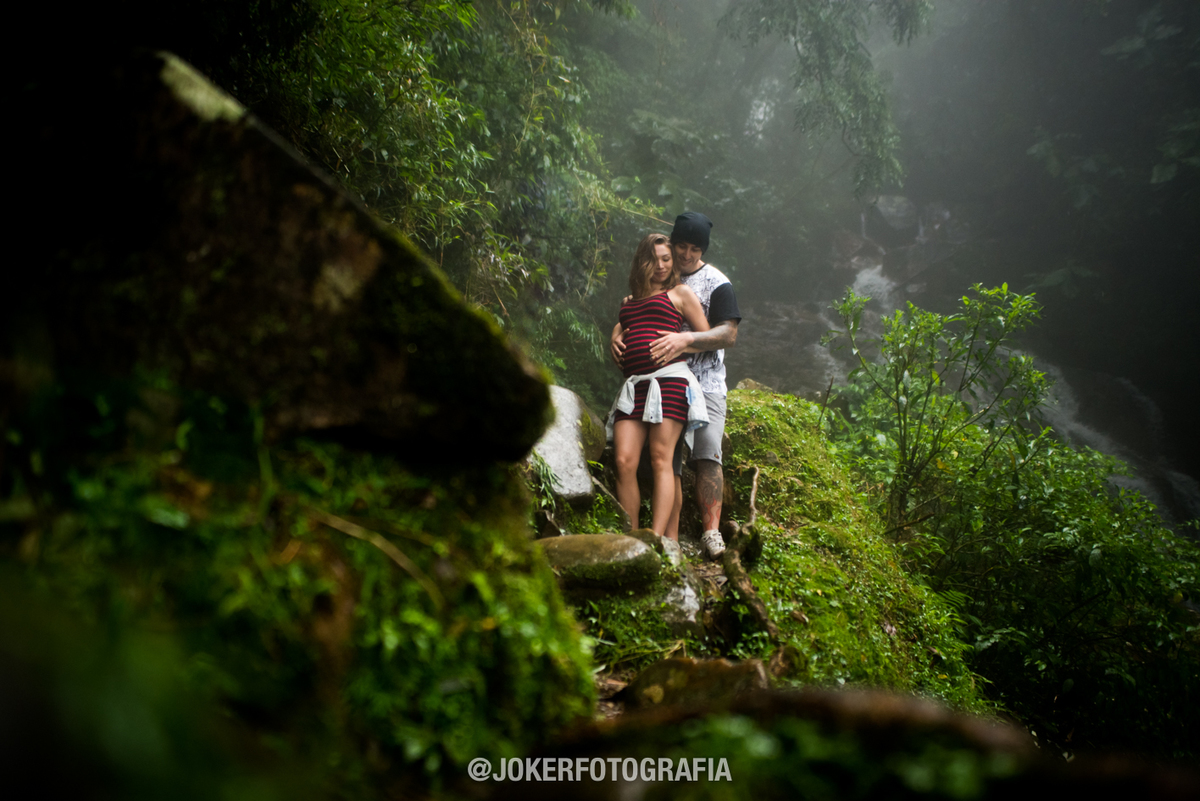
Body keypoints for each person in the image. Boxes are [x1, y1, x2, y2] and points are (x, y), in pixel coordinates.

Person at [611, 212, 741, 559]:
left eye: (694, 249)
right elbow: (634, 315)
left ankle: (706, 533)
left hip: (695, 382)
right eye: (680, 246)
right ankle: (656, 539)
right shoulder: (648, 287)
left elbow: (726, 334)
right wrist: (616, 333)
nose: (685, 254)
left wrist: (684, 340)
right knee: (653, 463)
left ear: (702, 251)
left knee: (701, 454)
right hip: (643, 383)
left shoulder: (712, 283)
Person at [605, 233, 711, 539]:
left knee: (661, 459)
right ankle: (632, 538)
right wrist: (614, 336)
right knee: (624, 460)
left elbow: (706, 337)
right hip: (634, 387)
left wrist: (681, 341)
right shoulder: (628, 302)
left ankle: (654, 537)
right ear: (642, 261)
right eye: (654, 260)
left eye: (667, 259)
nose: (662, 266)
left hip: (670, 382)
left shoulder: (679, 293)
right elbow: (629, 321)